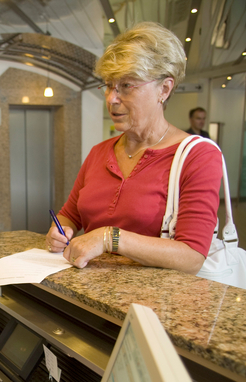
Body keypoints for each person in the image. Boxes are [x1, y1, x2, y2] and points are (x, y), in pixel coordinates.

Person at [46, 22, 223, 274]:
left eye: (126, 86)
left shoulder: (198, 155)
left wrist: (110, 238)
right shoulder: (99, 152)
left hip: (152, 304)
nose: (112, 98)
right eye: (109, 85)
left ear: (164, 88)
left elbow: (192, 256)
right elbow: (69, 215)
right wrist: (59, 232)